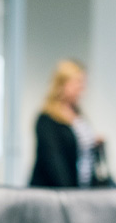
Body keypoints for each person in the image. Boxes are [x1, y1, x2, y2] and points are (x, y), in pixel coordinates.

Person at [29, 59, 111, 188]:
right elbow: (54, 162)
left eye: (83, 83)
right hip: (55, 193)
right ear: (63, 84)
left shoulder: (80, 116)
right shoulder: (47, 120)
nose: (82, 88)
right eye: (78, 82)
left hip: (81, 189)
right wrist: (70, 195)